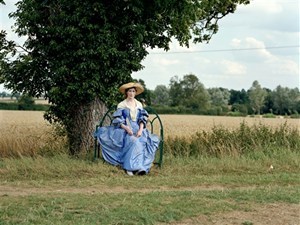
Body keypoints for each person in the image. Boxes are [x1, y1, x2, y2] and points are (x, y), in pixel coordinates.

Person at [94, 82, 160, 176]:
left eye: (133, 91)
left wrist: (141, 130)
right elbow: (118, 120)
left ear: (135, 92)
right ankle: (130, 168)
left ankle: (139, 167)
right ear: (126, 92)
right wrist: (126, 128)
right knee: (133, 141)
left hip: (138, 128)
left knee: (143, 140)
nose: (131, 93)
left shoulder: (139, 105)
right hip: (124, 128)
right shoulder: (122, 105)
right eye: (129, 91)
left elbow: (142, 119)